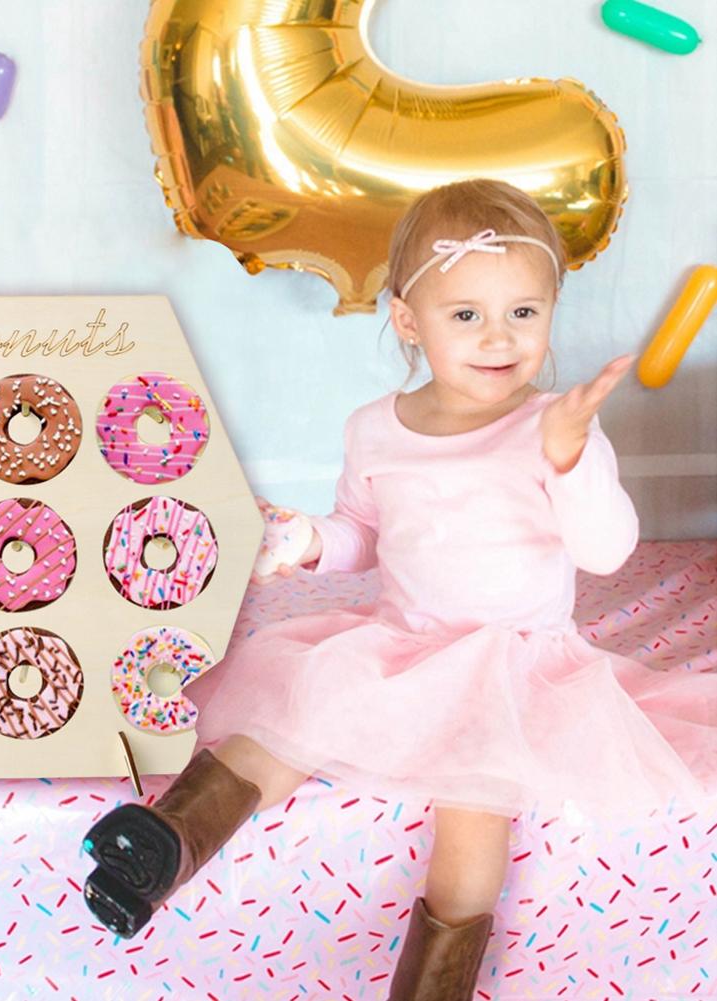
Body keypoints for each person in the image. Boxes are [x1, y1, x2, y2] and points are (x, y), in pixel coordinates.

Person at [79, 179, 716, 999]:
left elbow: (606, 551)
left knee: (471, 822)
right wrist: (309, 542)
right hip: (402, 643)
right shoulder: (375, 428)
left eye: (523, 311)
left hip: (511, 666)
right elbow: (361, 534)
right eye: (466, 314)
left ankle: (430, 988)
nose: (499, 336)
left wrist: (569, 456)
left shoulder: (553, 425)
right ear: (408, 321)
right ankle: (161, 846)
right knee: (285, 721)